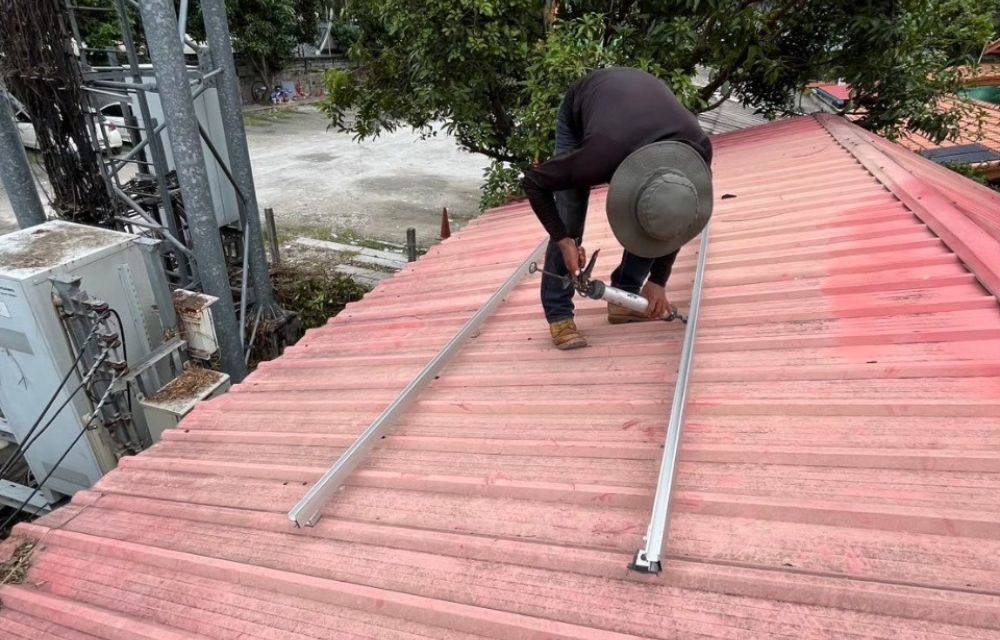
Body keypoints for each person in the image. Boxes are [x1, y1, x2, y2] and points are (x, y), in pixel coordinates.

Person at [521, 67, 714, 350]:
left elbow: (677, 220)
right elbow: (533, 183)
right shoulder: (598, 156)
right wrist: (563, 239)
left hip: (632, 114)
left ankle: (625, 297)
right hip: (587, 109)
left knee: (657, 215)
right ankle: (559, 314)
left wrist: (658, 280)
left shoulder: (697, 154)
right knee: (569, 216)